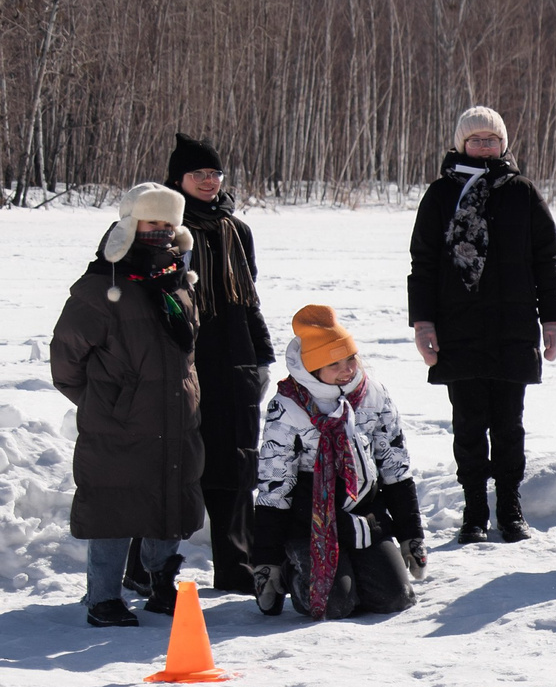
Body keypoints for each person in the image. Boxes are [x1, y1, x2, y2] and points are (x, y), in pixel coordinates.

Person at [407, 105, 556, 543]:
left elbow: (546, 260)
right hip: (458, 327)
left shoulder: (522, 193)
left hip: (513, 325)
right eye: (474, 139)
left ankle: (510, 507)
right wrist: (423, 324)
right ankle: (474, 508)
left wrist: (552, 319)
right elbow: (422, 263)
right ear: (460, 144)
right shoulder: (440, 195)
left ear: (503, 144)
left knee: (509, 422)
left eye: (490, 139)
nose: (483, 146)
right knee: (469, 422)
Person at [52, 183, 205, 626]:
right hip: (118, 422)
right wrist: (110, 401)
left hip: (176, 415)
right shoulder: (100, 287)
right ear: (130, 225)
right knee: (112, 509)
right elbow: (66, 360)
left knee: (170, 502)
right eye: (151, 222)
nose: (161, 231)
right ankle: (103, 599)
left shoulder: (179, 282)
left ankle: (160, 584)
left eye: (168, 224)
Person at [250, 306, 425, 619]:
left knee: (395, 598)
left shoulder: (373, 395)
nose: (347, 369)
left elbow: (394, 466)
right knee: (334, 605)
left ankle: (355, 569)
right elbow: (274, 486)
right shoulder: (289, 407)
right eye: (334, 364)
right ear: (314, 368)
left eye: (350, 358)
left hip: (363, 517)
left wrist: (411, 533)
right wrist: (267, 560)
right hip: (310, 523)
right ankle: (295, 569)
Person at [165, 133, 275, 594]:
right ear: (178, 179)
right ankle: (146, 568)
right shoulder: (164, 226)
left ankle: (237, 566)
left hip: (233, 356)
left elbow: (247, 298)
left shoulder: (236, 229)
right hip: (180, 357)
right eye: (199, 174)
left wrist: (262, 353)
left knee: (236, 463)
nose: (209, 182)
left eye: (214, 174)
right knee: (172, 463)